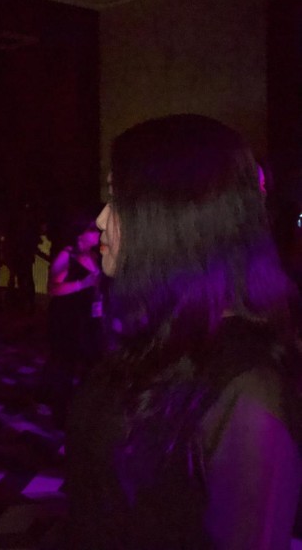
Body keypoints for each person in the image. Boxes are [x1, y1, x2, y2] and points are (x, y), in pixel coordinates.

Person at [67, 114, 302, 548]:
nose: (100, 219)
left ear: (173, 217)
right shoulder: (155, 336)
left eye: (118, 200)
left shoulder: (247, 388)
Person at [42, 210, 103, 428]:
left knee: (90, 363)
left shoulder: (94, 256)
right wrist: (81, 285)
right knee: (64, 365)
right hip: (66, 319)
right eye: (93, 230)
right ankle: (59, 414)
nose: (98, 234)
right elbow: (53, 288)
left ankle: (84, 411)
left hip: (87, 319)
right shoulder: (66, 255)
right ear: (80, 234)